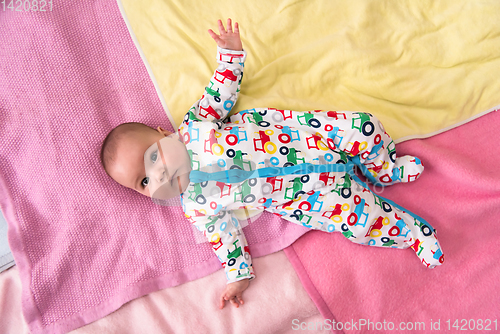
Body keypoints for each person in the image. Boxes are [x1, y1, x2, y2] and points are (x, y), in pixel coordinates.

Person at [100, 18, 444, 310]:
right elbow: (225, 239)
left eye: (152, 157)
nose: (157, 175)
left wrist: (231, 55)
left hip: (309, 139)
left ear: (165, 133)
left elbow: (221, 92)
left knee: (362, 126)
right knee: (361, 221)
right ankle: (414, 233)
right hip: (307, 196)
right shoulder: (197, 206)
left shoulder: (196, 126)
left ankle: (385, 168)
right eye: (144, 182)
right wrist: (239, 276)